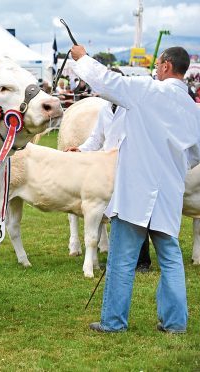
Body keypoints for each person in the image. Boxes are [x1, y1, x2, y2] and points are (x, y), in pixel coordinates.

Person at [70, 45, 200, 334]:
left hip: (136, 188)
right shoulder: (193, 109)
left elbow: (107, 81)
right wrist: (173, 166)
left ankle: (114, 322)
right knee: (170, 258)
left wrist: (83, 59)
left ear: (166, 66)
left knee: (122, 259)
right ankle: (176, 323)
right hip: (168, 191)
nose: (156, 69)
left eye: (158, 65)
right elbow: (195, 153)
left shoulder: (147, 90)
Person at [65, 68, 152, 272]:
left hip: (132, 165)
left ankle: (143, 261)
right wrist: (81, 149)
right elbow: (97, 138)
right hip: (109, 168)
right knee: (116, 214)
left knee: (137, 214)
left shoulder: (134, 106)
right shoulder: (105, 108)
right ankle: (121, 257)